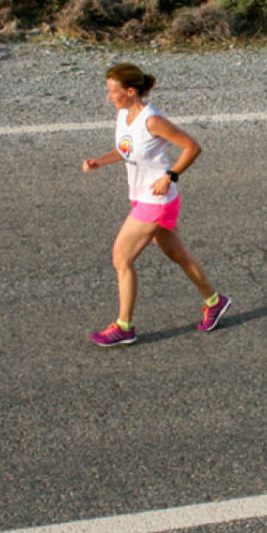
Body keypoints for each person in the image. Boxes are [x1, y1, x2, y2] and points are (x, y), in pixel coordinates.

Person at [81, 63, 230, 346]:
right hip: (141, 195)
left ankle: (124, 326)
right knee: (179, 256)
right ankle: (215, 301)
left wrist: (170, 175)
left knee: (121, 258)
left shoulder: (152, 121)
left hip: (157, 199)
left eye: (112, 91)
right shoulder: (123, 115)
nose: (108, 96)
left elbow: (192, 147)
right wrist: (100, 161)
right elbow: (125, 149)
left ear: (130, 91)